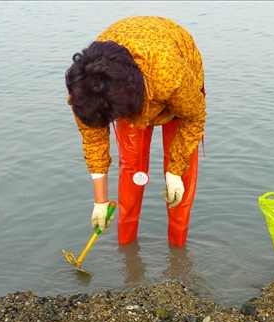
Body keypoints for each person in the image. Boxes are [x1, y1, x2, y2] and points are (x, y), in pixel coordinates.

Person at [66, 16, 205, 247]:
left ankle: (178, 246)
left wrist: (175, 171)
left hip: (171, 81)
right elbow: (94, 140)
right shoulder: (84, 89)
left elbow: (195, 117)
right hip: (121, 85)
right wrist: (100, 201)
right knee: (132, 166)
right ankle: (126, 243)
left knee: (180, 178)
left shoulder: (171, 74)